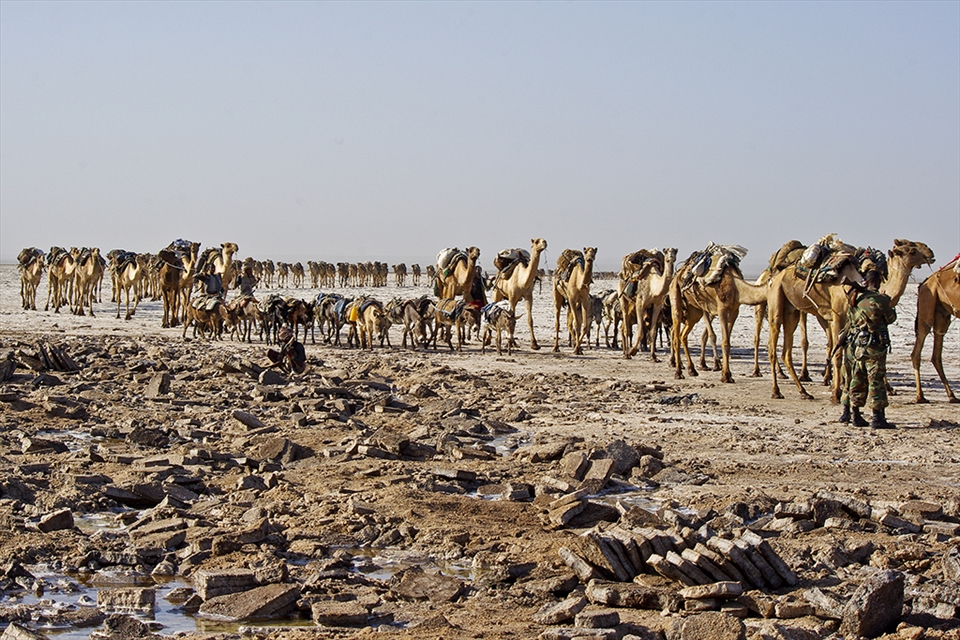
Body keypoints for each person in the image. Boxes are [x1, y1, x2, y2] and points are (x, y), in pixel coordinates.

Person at [838, 269, 897, 428]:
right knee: (875, 381)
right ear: (878, 283)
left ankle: (855, 415)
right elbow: (891, 318)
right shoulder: (881, 300)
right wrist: (886, 300)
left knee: (857, 380)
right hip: (875, 348)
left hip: (857, 347)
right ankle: (878, 418)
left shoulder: (855, 297)